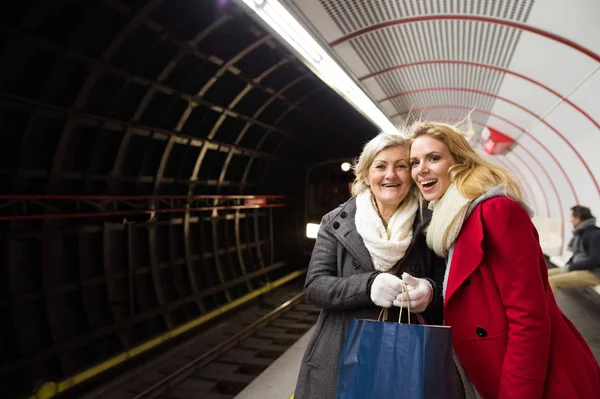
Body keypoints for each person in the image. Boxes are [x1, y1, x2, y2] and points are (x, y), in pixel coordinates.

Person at [407, 121, 600, 398]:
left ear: (459, 162)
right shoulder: (451, 222)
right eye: (414, 162)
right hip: (497, 373)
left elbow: (529, 318)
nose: (420, 169)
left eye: (433, 158)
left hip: (541, 379)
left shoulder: (495, 211)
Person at [293, 131, 447, 399]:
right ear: (365, 174)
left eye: (401, 166)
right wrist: (368, 285)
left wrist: (431, 293)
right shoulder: (336, 221)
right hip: (340, 349)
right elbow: (315, 287)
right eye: (380, 166)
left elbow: (452, 286)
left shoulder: (433, 222)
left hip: (407, 353)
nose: (391, 175)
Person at [548, 205, 600, 293]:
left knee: (551, 281)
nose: (570, 220)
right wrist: (569, 265)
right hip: (582, 268)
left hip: (594, 273)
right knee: (543, 274)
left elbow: (596, 259)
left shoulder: (595, 234)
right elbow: (578, 254)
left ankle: (545, 307)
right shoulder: (582, 233)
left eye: (572, 216)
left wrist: (571, 267)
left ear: (578, 218)